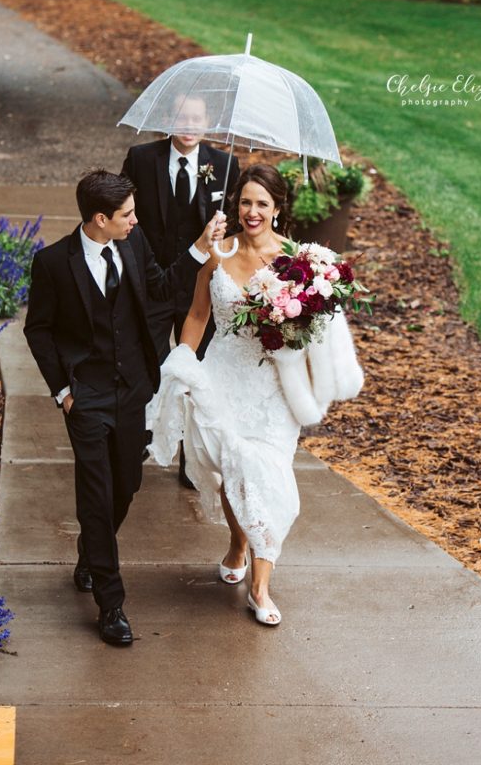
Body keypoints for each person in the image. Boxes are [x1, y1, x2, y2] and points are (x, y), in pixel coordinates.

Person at [23, 169, 226, 646]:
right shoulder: (52, 263)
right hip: (86, 397)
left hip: (133, 389)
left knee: (127, 485)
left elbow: (161, 289)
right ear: (99, 218)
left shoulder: (132, 246)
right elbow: (39, 330)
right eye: (127, 215)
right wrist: (62, 391)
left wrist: (200, 246)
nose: (136, 221)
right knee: (96, 495)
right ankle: (110, 604)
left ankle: (92, 550)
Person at [147, 164, 339, 627]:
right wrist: (183, 362)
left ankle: (260, 584)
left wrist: (292, 330)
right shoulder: (218, 250)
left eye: (262, 204)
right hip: (224, 375)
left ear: (277, 209)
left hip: (273, 385)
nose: (252, 212)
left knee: (268, 474)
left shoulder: (300, 262)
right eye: (245, 202)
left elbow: (315, 328)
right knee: (231, 464)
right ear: (236, 203)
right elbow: (196, 315)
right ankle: (238, 542)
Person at [121, 95, 240, 486]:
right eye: (181, 117)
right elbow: (128, 216)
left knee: (198, 367)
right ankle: (138, 437)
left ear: (207, 124)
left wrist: (223, 230)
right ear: (168, 120)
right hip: (153, 280)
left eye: (196, 118)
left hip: (199, 286)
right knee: (145, 358)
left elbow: (239, 220)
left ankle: (194, 457)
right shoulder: (141, 159)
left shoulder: (224, 166)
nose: (188, 125)